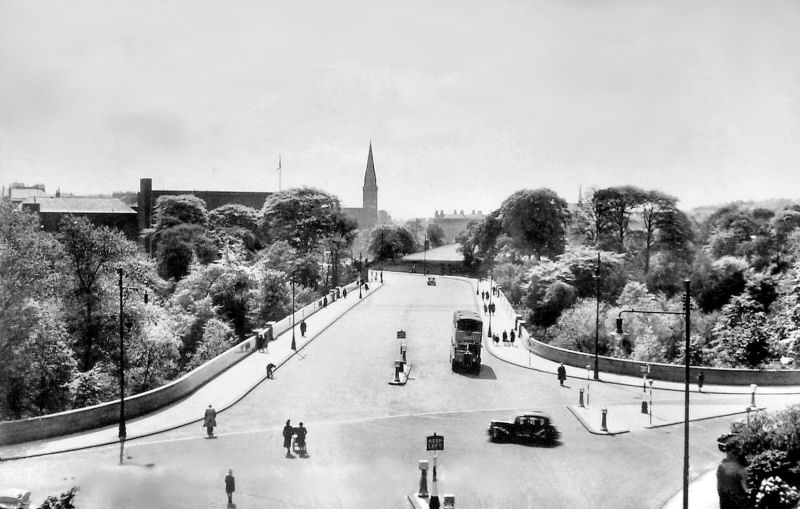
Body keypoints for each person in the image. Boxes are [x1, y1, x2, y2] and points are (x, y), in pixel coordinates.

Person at [717, 444, 749, 509]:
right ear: (727, 452)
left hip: (735, 501)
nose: (735, 456)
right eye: (734, 453)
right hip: (730, 500)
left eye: (737, 454)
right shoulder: (722, 467)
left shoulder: (740, 467)